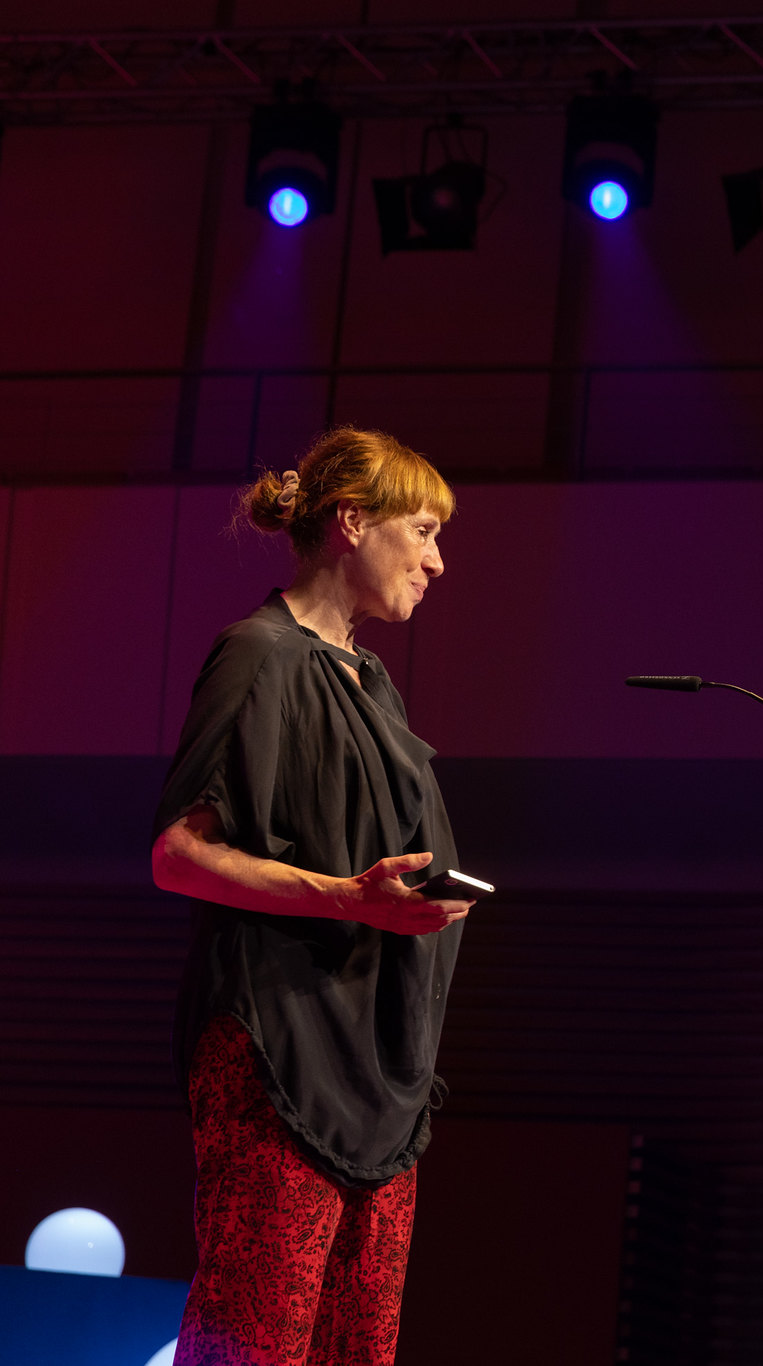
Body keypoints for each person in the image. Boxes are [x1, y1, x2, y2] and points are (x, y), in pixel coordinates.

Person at [150, 428, 474, 1366]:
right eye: (422, 530)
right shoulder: (259, 655)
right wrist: (345, 897)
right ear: (351, 523)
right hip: (277, 1048)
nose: (438, 560)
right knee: (258, 1339)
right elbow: (178, 853)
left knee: (357, 1348)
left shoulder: (371, 684)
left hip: (376, 1064)